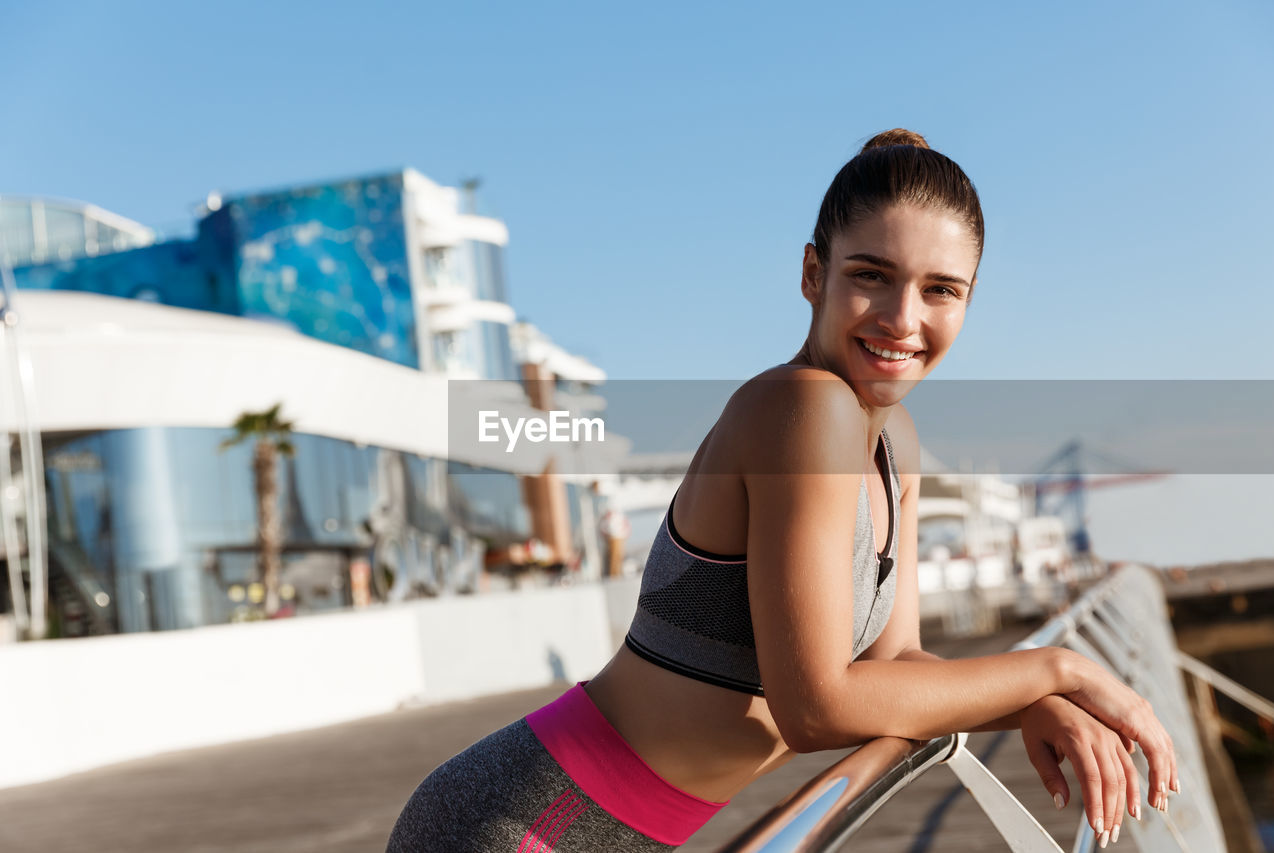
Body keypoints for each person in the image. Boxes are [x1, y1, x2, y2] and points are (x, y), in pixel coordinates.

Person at [386, 129, 1179, 852]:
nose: (905, 318)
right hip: (533, 817)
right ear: (813, 273)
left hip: (623, 825)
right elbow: (819, 706)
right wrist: (1054, 670)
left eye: (942, 290)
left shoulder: (889, 439)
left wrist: (1022, 704)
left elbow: (893, 659)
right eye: (873, 276)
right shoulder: (804, 407)